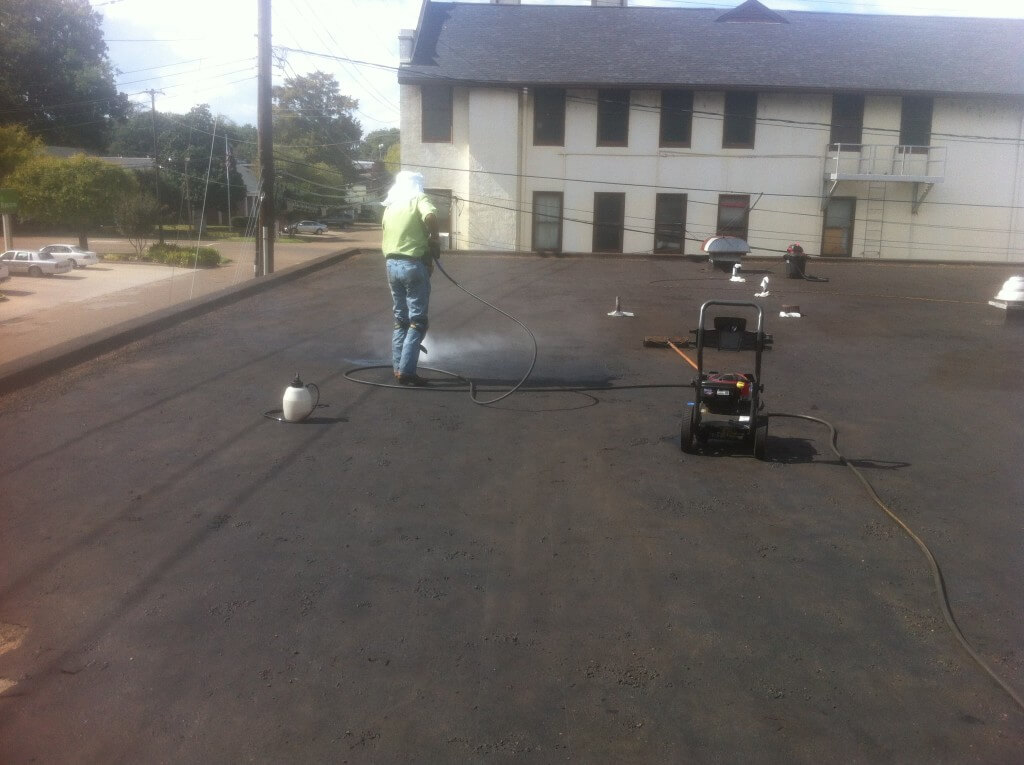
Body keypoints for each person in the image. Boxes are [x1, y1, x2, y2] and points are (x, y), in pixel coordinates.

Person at [380, 171, 441, 386]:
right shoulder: (418, 199)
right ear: (416, 185)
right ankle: (407, 371)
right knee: (418, 321)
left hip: (391, 265)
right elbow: (430, 217)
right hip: (412, 265)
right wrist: (434, 239)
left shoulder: (390, 206)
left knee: (401, 320)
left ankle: (398, 368)